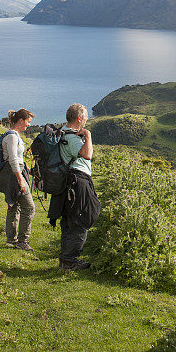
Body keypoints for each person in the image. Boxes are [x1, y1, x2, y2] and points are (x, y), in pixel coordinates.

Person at [48, 102, 100, 271]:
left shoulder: (62, 134)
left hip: (67, 182)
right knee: (81, 219)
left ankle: (65, 259)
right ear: (79, 119)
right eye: (85, 118)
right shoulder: (70, 137)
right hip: (78, 181)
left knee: (69, 221)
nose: (86, 121)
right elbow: (87, 155)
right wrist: (89, 136)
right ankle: (70, 260)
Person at [0, 108, 35, 251]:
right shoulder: (12, 137)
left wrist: (27, 168)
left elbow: (17, 157)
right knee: (29, 207)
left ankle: (11, 240)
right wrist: (21, 180)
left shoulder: (14, 135)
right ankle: (23, 240)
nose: (29, 125)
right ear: (21, 120)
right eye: (28, 122)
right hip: (13, 175)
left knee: (14, 205)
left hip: (14, 172)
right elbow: (12, 159)